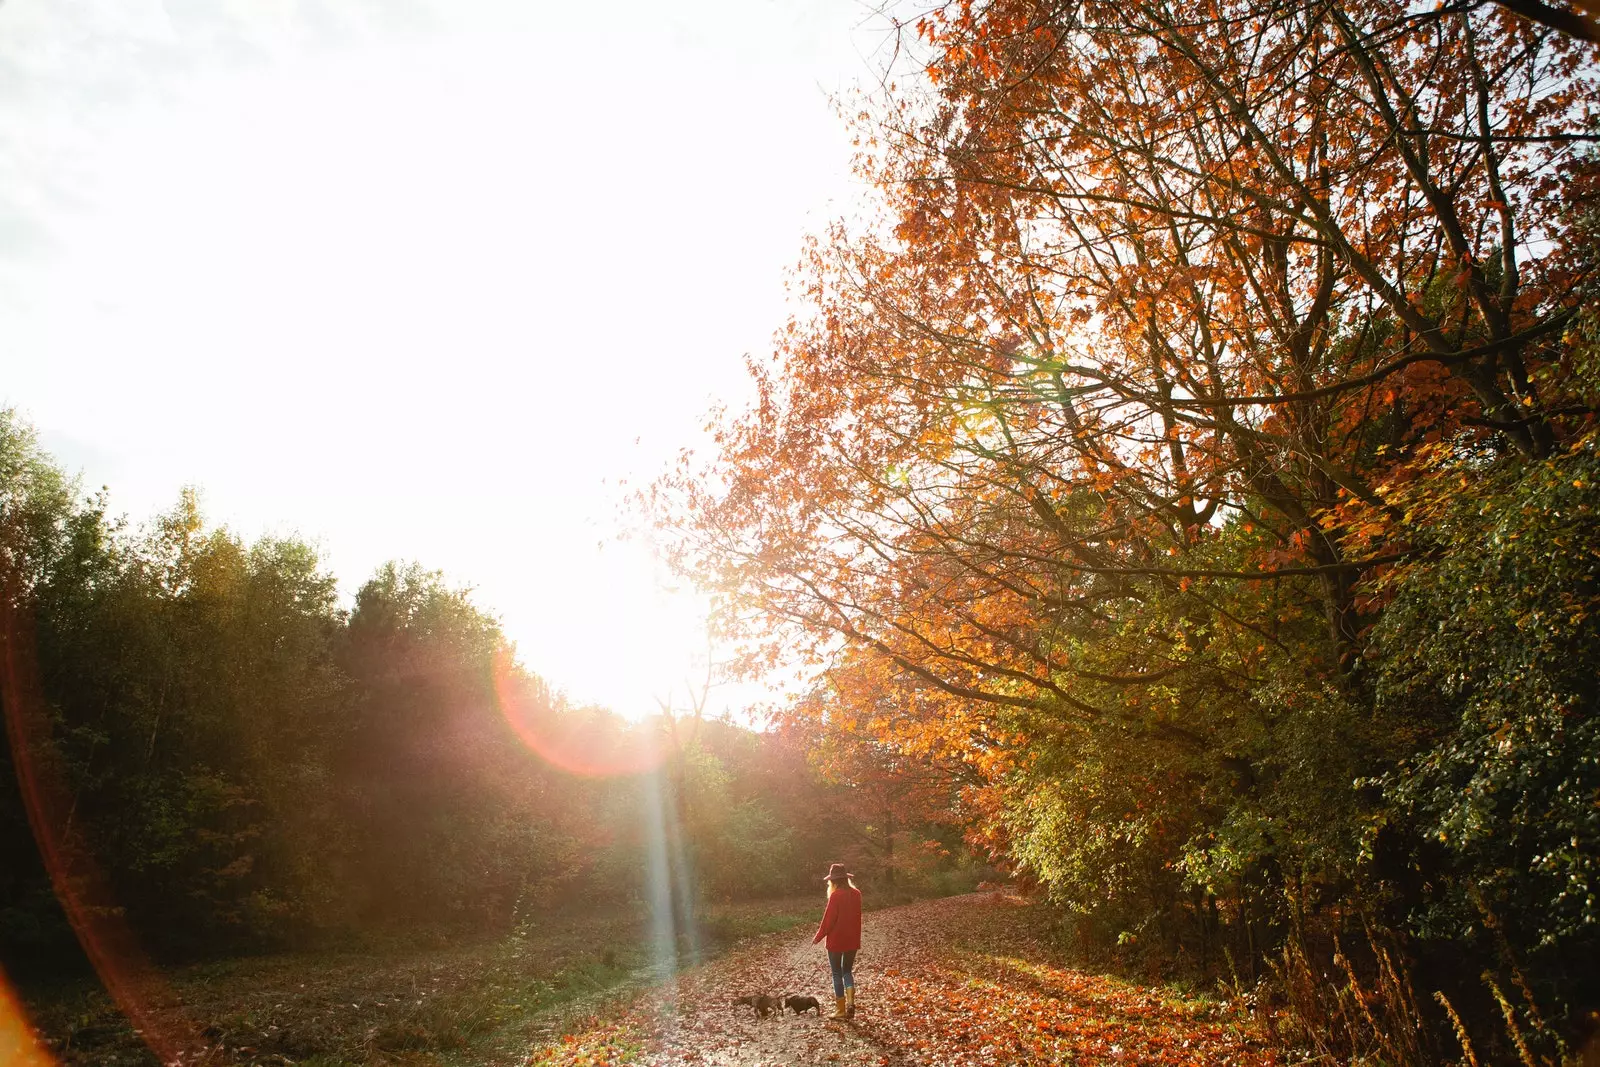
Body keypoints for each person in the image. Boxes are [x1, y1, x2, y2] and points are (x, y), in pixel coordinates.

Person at [812, 862, 862, 1020]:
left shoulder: (835, 895)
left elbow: (828, 921)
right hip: (852, 940)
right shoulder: (857, 894)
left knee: (836, 973)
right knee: (847, 971)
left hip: (836, 941)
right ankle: (851, 1003)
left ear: (833, 881)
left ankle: (840, 1011)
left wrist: (818, 937)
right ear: (846, 878)